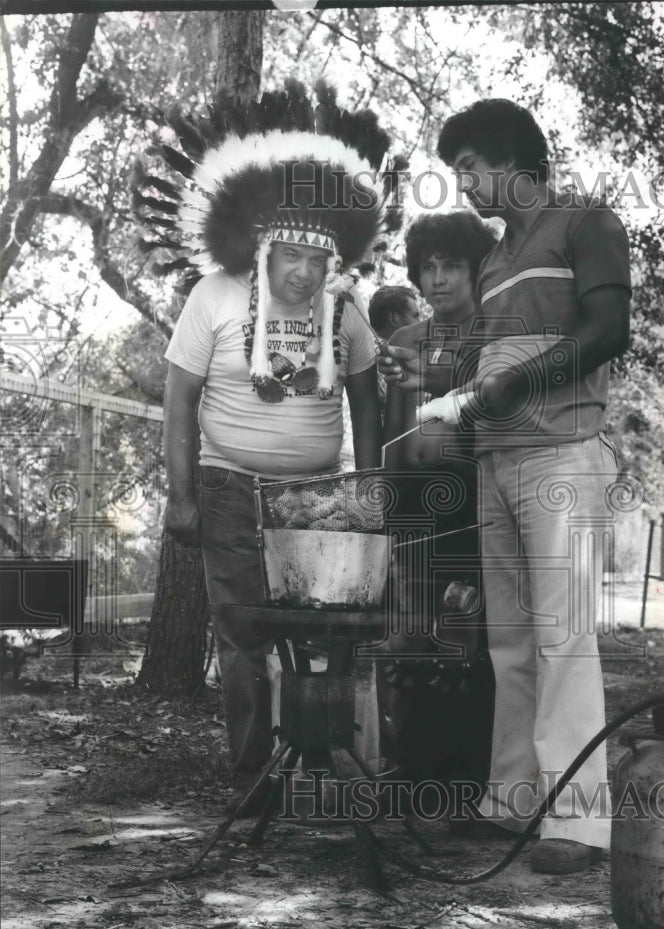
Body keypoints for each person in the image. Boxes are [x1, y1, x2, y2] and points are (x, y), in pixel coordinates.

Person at [378, 100, 631, 872]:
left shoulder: (587, 222)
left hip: (568, 459)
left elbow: (609, 333)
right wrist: (435, 378)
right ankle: (515, 804)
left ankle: (582, 825)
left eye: (470, 171)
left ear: (510, 159)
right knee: (510, 642)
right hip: (497, 463)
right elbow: (487, 367)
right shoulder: (492, 259)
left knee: (566, 637)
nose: (465, 188)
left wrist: (512, 385)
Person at [136, 81, 401, 813]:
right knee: (244, 636)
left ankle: (325, 762)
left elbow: (367, 396)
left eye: (319, 259)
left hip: (320, 500)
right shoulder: (213, 297)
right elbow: (180, 397)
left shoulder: (343, 308)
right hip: (227, 491)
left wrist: (370, 487)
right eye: (292, 255)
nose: (305, 272)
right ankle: (255, 778)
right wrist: (182, 493)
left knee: (329, 635)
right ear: (262, 250)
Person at [378, 212, 497, 812]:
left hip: (473, 500)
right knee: (409, 635)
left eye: (452, 266)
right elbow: (394, 435)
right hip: (410, 503)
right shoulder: (404, 343)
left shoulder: (493, 339)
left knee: (466, 636)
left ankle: (467, 774)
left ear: (477, 271)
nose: (439, 279)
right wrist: (385, 514)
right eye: (429, 266)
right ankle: (411, 766)